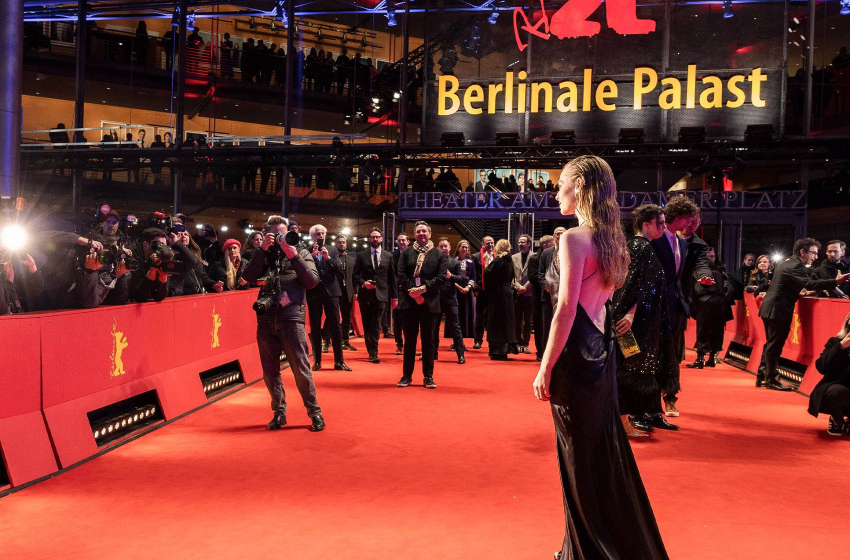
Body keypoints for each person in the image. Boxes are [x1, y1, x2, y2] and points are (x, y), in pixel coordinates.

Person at [533, 155, 668, 559]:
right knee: (598, 454)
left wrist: (544, 367)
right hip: (601, 356)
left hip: (576, 359)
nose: (557, 192)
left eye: (561, 184)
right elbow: (602, 306)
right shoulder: (614, 241)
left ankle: (584, 550)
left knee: (577, 457)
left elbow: (565, 309)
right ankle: (584, 546)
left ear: (580, 185)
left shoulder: (574, 239)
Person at [241, 215, 325, 432]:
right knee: (270, 371)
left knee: (301, 369)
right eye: (275, 234)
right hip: (266, 318)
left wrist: (293, 255)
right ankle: (279, 413)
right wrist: (262, 251)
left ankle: (315, 413)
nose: (280, 239)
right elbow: (247, 276)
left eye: (283, 234)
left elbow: (311, 282)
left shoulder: (302, 252)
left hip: (292, 319)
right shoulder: (264, 255)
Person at [613, 204, 679, 438]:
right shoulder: (639, 247)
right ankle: (631, 417)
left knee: (643, 367)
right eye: (659, 223)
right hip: (637, 322)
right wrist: (629, 313)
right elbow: (630, 285)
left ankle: (644, 413)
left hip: (646, 320)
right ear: (646, 225)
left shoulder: (644, 247)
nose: (663, 227)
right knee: (634, 367)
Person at [758, 239, 850, 390]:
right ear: (803, 252)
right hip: (778, 309)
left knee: (770, 345)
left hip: (771, 308)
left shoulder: (787, 263)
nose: (815, 257)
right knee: (774, 346)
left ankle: (762, 376)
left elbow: (788, 285)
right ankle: (771, 380)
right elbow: (810, 284)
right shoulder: (796, 265)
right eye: (813, 253)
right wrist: (836, 281)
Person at [650, 197, 712, 417]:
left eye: (695, 221)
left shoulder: (692, 244)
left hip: (678, 305)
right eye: (688, 219)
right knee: (654, 353)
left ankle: (670, 399)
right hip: (655, 305)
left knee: (673, 355)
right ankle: (649, 403)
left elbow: (701, 264)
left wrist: (704, 276)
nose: (691, 225)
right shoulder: (654, 239)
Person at [396, 221, 447, 388]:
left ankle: (428, 376)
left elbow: (440, 278)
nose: (421, 234)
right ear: (415, 234)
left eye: (424, 231)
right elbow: (401, 275)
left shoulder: (439, 254)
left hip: (430, 302)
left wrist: (423, 289)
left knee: (429, 341)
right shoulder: (406, 253)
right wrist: (414, 292)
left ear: (430, 233)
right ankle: (406, 376)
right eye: (418, 231)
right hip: (409, 302)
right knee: (409, 341)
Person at [306, 224, 351, 371]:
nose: (320, 236)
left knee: (335, 327)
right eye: (317, 234)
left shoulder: (332, 250)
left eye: (322, 233)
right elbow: (303, 271)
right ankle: (317, 361)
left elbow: (338, 269)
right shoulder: (306, 251)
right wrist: (312, 257)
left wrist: (328, 258)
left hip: (332, 292)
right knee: (315, 327)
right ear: (312, 236)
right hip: (314, 293)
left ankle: (339, 361)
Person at [353, 227, 397, 363]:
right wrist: (363, 283)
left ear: (382, 239)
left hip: (381, 295)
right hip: (365, 294)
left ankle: (374, 351)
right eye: (373, 237)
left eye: (377, 237)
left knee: (376, 324)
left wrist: (395, 296)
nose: (375, 239)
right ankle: (370, 350)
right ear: (369, 239)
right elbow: (355, 275)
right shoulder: (362, 255)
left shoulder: (388, 256)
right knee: (367, 324)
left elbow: (392, 278)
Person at [687, 247, 734, 369]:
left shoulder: (697, 273)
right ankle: (712, 358)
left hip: (704, 302)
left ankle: (700, 358)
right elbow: (730, 289)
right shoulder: (720, 274)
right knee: (717, 330)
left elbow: (693, 291)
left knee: (703, 330)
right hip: (720, 303)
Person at [808, 312, 850, 436]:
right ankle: (837, 419)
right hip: (839, 388)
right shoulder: (834, 342)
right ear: (847, 323)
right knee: (835, 392)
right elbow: (821, 367)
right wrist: (841, 347)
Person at [435, 237, 466, 364]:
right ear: (438, 248)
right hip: (435, 299)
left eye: (445, 246)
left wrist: (450, 276)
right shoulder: (433, 262)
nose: (443, 248)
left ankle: (460, 354)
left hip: (451, 299)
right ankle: (432, 353)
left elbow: (462, 279)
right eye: (441, 246)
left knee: (455, 327)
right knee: (433, 328)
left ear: (449, 248)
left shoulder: (455, 263)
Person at [538, 227, 567, 359]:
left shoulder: (570, 251)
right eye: (557, 233)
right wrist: (547, 287)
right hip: (548, 297)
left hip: (566, 297)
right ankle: (546, 356)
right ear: (553, 237)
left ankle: (561, 356)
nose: (560, 235)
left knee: (563, 326)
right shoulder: (546, 253)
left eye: (563, 233)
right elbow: (541, 274)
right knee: (547, 326)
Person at [486, 239, 517, 360]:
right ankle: (505, 349)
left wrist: (486, 263)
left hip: (498, 292)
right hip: (507, 292)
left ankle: (496, 350)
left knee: (496, 321)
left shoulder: (497, 261)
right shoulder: (510, 261)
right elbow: (512, 276)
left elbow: (488, 273)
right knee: (506, 321)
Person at [325, 234, 357, 352]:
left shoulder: (352, 260)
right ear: (335, 244)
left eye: (343, 242)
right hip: (333, 292)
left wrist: (356, 291)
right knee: (330, 317)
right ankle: (326, 342)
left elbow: (354, 277)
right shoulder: (330, 259)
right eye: (339, 242)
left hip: (347, 292)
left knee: (346, 318)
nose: (341, 244)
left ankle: (345, 341)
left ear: (346, 244)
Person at [528, 234, 553, 361]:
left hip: (553, 296)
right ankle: (541, 352)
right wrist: (549, 284)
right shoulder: (534, 258)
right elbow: (533, 277)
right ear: (545, 245)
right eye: (551, 242)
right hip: (539, 296)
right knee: (540, 325)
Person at [512, 234, 534, 354]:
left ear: (529, 244)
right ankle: (517, 342)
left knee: (528, 320)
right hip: (516, 292)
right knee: (516, 320)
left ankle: (525, 344)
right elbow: (511, 275)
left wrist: (525, 287)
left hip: (529, 293)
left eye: (523, 242)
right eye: (519, 242)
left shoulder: (535, 257)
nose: (520, 244)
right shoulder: (513, 257)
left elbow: (534, 275)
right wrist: (518, 286)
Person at [472, 236, 495, 349]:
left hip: (493, 292)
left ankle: (492, 340)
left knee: (492, 317)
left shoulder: (497, 257)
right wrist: (475, 289)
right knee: (480, 317)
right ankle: (478, 340)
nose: (490, 245)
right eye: (487, 243)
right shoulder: (476, 257)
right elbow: (473, 275)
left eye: (492, 243)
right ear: (482, 244)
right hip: (481, 291)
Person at [453, 240, 477, 342]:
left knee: (466, 316)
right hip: (455, 291)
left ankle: (462, 341)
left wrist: (468, 287)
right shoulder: (453, 261)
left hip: (467, 292)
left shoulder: (471, 262)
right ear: (458, 248)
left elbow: (473, 277)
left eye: (466, 247)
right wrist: (458, 287)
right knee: (455, 316)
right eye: (463, 247)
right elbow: (451, 277)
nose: (465, 249)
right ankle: (455, 340)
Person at [392, 232, 410, 354]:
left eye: (403, 240)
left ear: (408, 241)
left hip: (410, 290)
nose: (402, 242)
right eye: (399, 240)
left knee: (410, 320)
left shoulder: (412, 254)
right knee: (397, 320)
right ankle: (399, 344)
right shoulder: (393, 256)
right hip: (397, 290)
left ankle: (410, 344)